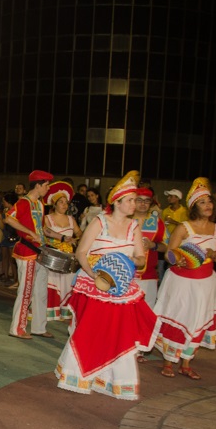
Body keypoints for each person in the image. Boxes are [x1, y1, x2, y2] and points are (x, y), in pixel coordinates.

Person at [55, 171, 157, 400]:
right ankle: (78, 376)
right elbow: (81, 252)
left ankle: (112, 380)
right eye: (130, 200)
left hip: (121, 286)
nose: (134, 204)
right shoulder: (100, 221)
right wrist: (95, 275)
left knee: (119, 332)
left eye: (135, 200)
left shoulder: (134, 226)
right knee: (91, 330)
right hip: (94, 284)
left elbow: (141, 259)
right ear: (117, 202)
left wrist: (127, 261)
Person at [152, 178, 216, 380]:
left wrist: (213, 255)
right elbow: (169, 254)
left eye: (209, 201)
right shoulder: (184, 228)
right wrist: (180, 259)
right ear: (194, 206)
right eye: (202, 202)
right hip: (182, 281)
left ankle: (186, 363)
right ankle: (168, 361)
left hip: (206, 282)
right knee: (178, 317)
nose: (208, 205)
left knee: (199, 319)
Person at [5, 169, 54, 339]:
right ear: (38, 185)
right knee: (26, 291)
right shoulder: (23, 202)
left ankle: (39, 327)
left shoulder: (40, 204)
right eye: (46, 185)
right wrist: (29, 232)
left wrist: (61, 237)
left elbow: (43, 228)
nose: (48, 188)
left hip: (40, 251)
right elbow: (9, 218)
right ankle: (17, 328)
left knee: (41, 292)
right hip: (26, 252)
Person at [42, 181, 81, 322]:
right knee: (52, 283)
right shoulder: (47, 219)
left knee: (66, 284)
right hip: (53, 257)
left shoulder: (71, 219)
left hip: (68, 258)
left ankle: (64, 312)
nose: (64, 205)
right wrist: (58, 241)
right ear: (54, 204)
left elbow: (79, 233)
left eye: (66, 202)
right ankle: (49, 312)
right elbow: (44, 232)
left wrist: (75, 240)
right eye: (61, 202)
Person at [132, 187, 167, 307]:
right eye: (139, 200)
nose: (143, 204)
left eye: (147, 201)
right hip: (124, 274)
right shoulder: (124, 220)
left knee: (147, 311)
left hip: (148, 276)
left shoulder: (157, 222)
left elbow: (166, 246)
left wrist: (153, 245)